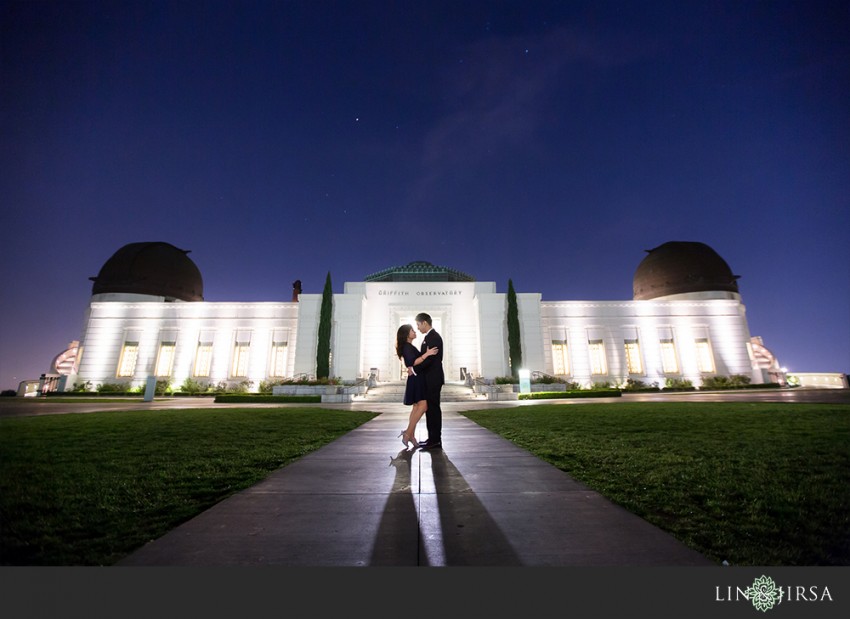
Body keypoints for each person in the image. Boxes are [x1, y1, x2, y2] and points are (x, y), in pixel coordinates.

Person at [395, 324, 438, 450]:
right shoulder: (407, 347)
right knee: (423, 406)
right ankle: (407, 433)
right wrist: (427, 354)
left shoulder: (408, 346)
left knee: (416, 407)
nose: (415, 332)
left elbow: (412, 364)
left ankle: (411, 435)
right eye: (412, 331)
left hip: (416, 378)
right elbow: (412, 362)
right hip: (416, 379)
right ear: (406, 334)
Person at [415, 312, 444, 449]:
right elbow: (425, 357)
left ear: (424, 323)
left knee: (433, 409)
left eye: (418, 324)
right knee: (429, 409)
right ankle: (431, 438)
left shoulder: (434, 337)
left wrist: (415, 368)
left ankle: (436, 440)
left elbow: (430, 360)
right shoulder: (429, 337)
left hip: (433, 379)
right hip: (429, 379)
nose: (418, 328)